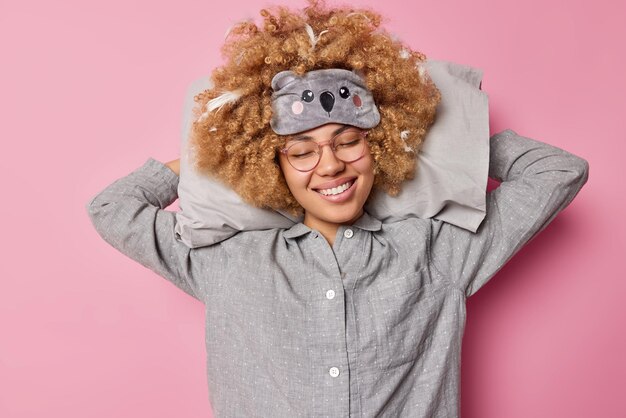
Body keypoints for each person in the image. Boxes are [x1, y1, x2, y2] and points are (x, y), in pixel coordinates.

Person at [86, 1, 588, 417]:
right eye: (301, 152)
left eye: (348, 141)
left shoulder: (439, 249)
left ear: (382, 144)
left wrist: (451, 144)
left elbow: (557, 171)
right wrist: (203, 161)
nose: (329, 165)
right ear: (267, 163)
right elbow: (112, 208)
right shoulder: (226, 259)